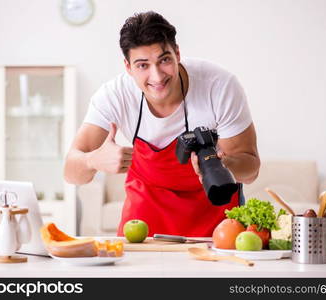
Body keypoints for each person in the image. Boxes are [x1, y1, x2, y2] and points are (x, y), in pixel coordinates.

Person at [64, 11, 260, 237]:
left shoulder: (219, 86)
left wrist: (223, 162)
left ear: (177, 54)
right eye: (142, 65)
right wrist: (93, 160)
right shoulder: (113, 96)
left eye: (164, 60)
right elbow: (70, 173)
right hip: (145, 213)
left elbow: (251, 170)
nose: (157, 77)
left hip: (215, 213)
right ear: (127, 67)